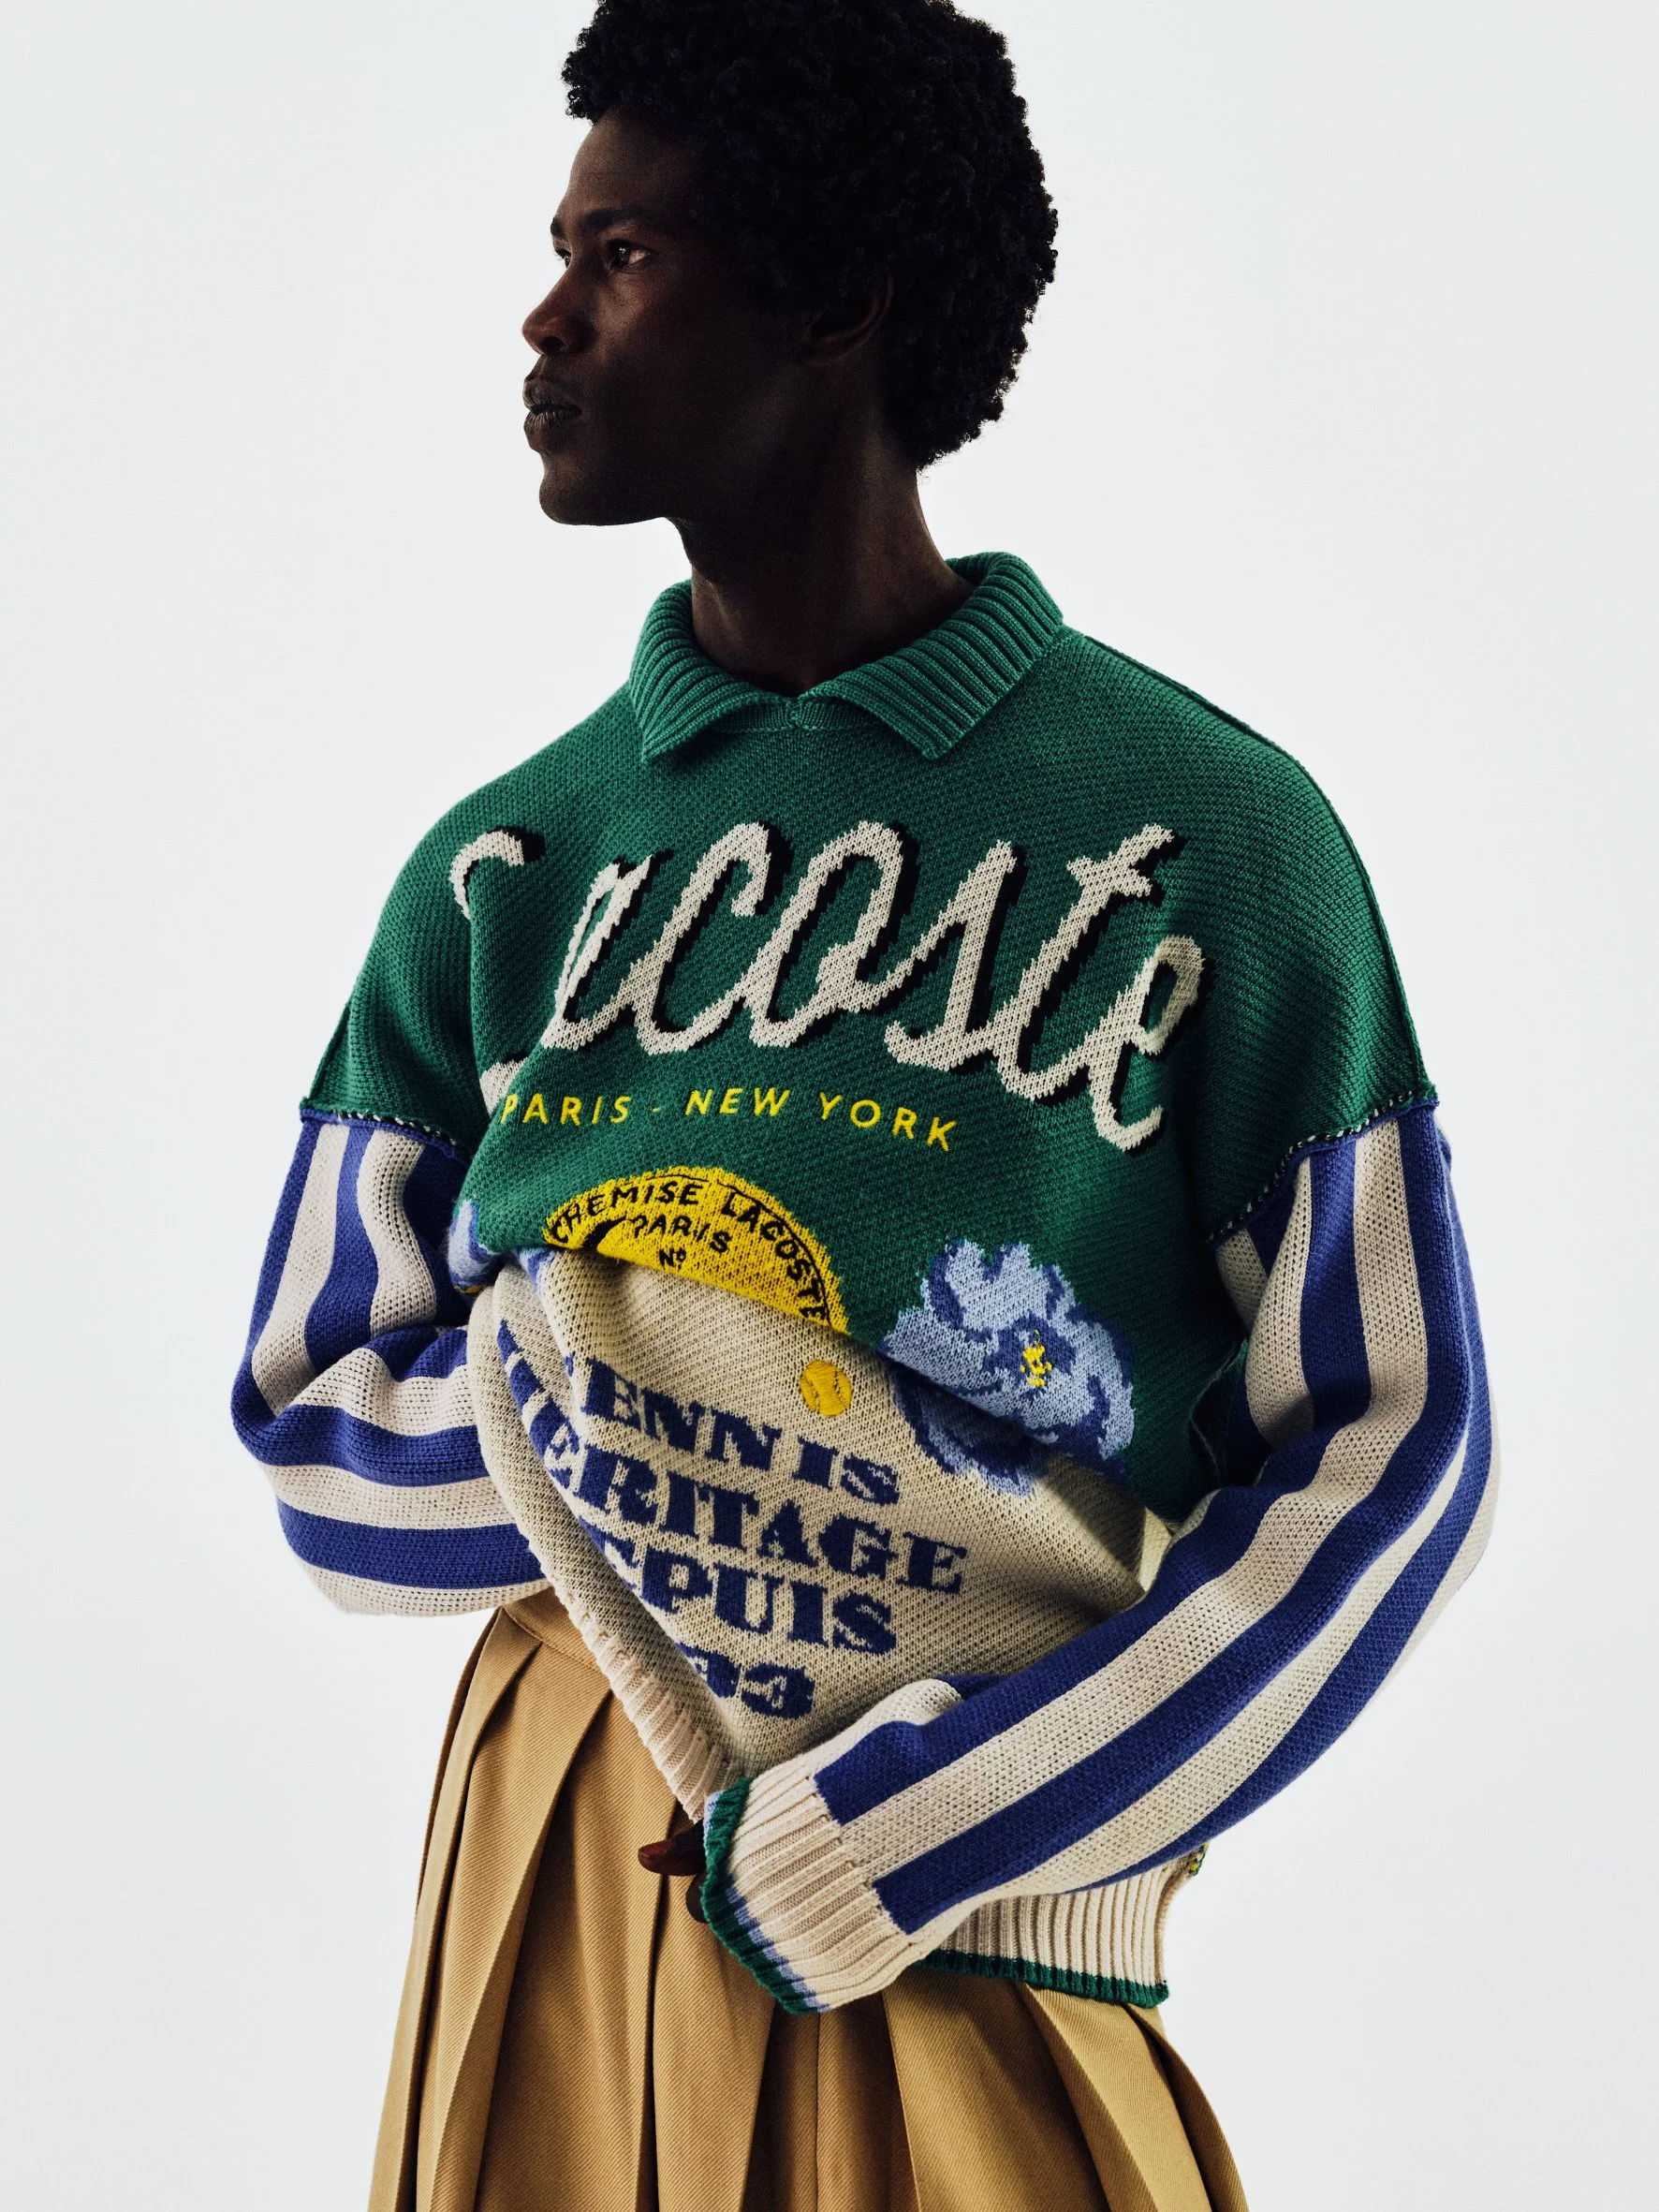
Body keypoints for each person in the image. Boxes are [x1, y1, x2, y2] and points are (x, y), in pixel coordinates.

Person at [231, 2, 1496, 2205]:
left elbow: (1399, 1444)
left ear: (833, 301)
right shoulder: (502, 869)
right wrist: (622, 1382)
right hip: (546, 1858)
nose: (543, 320)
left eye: (619, 257)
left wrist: (936, 1817)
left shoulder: (1211, 840)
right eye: (560, 250)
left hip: (988, 1898)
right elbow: (312, 1432)